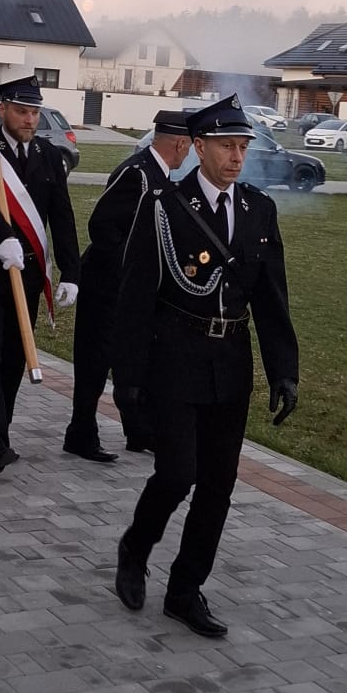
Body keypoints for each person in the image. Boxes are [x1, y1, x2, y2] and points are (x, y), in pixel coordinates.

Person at [112, 93, 299, 639]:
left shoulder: (259, 210)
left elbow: (271, 298)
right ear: (198, 147)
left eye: (242, 147)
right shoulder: (165, 207)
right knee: (177, 474)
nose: (237, 157)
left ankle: (185, 589)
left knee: (219, 484)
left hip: (230, 363)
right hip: (174, 358)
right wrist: (128, 378)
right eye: (226, 146)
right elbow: (135, 298)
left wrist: (284, 369)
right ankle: (135, 548)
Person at [0, 74, 80, 475]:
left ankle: (1, 430)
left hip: (26, 271)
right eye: (22, 111)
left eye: (34, 112)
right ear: (3, 110)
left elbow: (62, 215)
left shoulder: (49, 155)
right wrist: (1, 236)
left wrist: (71, 271)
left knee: (14, 355)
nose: (30, 120)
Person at [64, 111, 193, 464]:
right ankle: (80, 434)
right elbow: (102, 227)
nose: (188, 155)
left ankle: (139, 431)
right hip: (107, 284)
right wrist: (133, 269)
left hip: (133, 288)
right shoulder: (137, 174)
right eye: (188, 147)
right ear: (179, 143)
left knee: (136, 359)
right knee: (95, 362)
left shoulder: (160, 175)